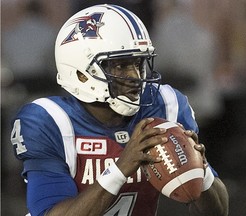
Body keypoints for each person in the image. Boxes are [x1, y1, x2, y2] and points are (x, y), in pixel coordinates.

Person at [10, 4, 229, 216]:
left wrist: (201, 171)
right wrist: (120, 168)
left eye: (138, 63)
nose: (135, 77)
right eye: (121, 66)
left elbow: (217, 211)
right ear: (81, 72)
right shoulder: (49, 121)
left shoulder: (165, 105)